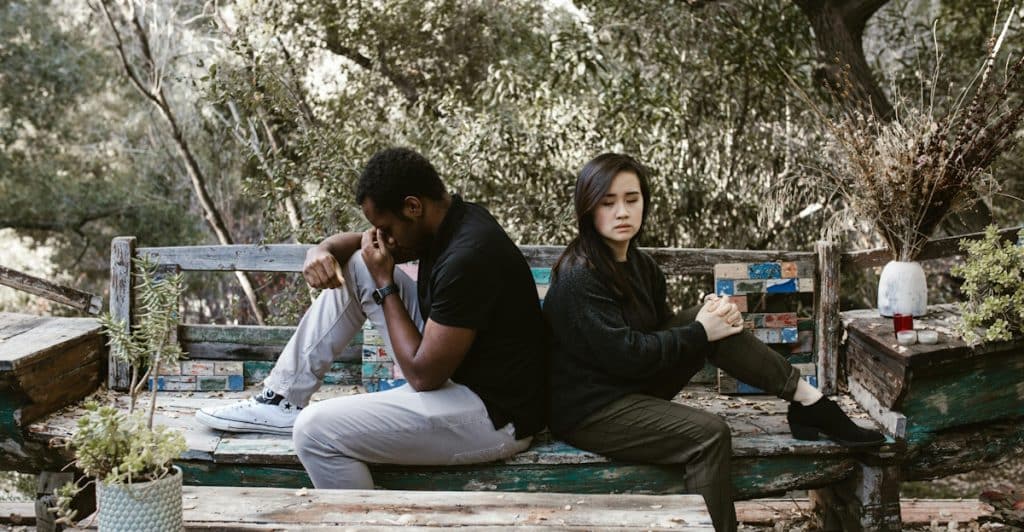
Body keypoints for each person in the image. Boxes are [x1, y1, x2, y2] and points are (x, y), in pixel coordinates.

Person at [542, 153, 884, 532]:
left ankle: (809, 402)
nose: (622, 211)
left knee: (709, 319)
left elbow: (657, 334)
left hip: (629, 386)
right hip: (590, 410)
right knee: (709, 435)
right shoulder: (580, 277)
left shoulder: (641, 266)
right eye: (608, 203)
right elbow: (628, 357)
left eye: (631, 199)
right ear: (588, 208)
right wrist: (701, 331)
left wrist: (709, 318)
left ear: (644, 202)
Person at [196, 147, 548, 489]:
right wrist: (322, 251)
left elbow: (424, 376)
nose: (385, 240)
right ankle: (281, 398)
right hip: (457, 373)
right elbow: (364, 244)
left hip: (494, 417)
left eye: (386, 228)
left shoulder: (469, 256)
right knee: (361, 263)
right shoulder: (449, 219)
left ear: (413, 206)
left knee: (315, 431)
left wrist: (385, 284)